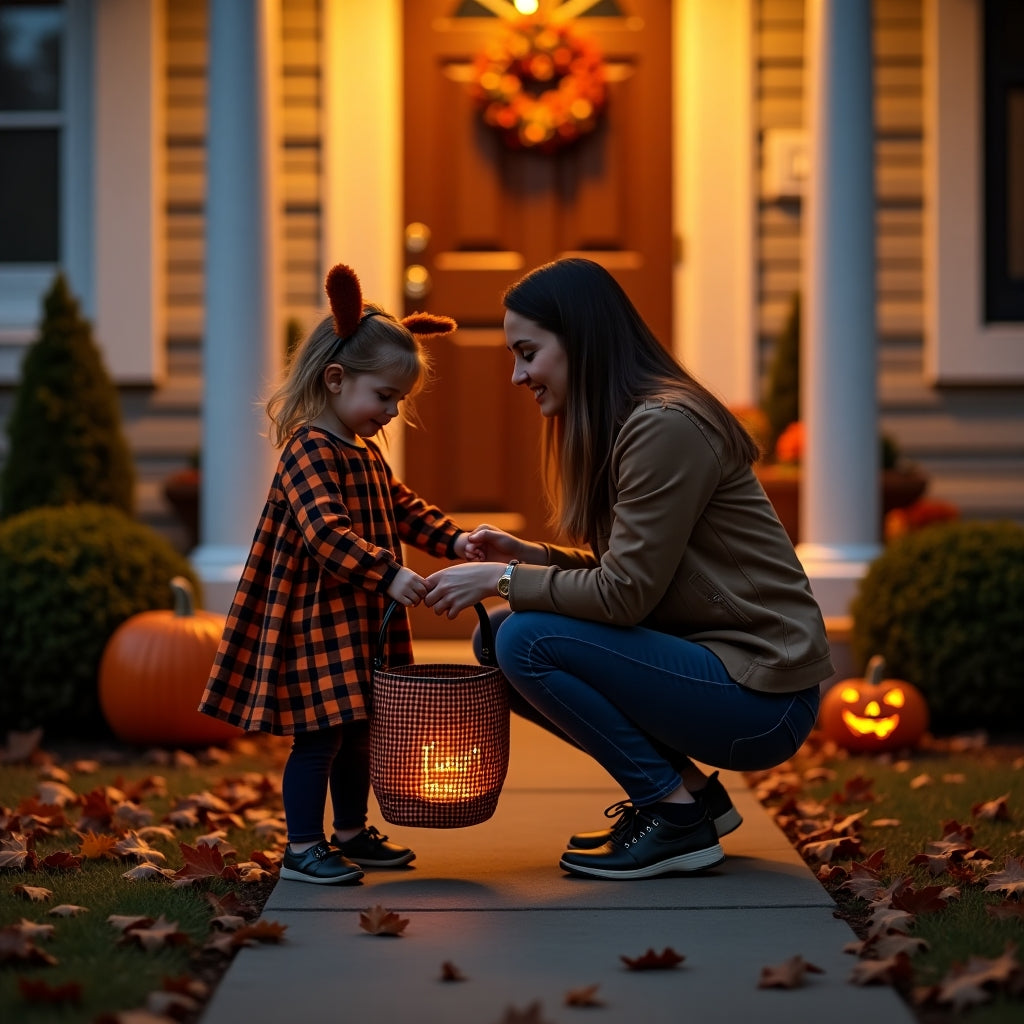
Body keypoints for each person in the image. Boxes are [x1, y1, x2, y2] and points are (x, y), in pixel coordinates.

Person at [423, 257, 834, 881]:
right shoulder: (633, 425)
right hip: (723, 670)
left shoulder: (665, 427)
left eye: (528, 353)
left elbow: (625, 597)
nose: (517, 375)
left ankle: (673, 818)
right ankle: (692, 798)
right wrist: (530, 557)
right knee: (498, 636)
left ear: (580, 339)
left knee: (524, 637)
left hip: (762, 694)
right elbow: (635, 573)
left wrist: (501, 580)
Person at [199, 263, 472, 885]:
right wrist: (389, 574)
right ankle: (302, 847)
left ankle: (350, 832)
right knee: (320, 736)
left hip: (359, 621)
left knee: (360, 730)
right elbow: (324, 534)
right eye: (385, 396)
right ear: (335, 378)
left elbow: (403, 509)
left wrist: (455, 540)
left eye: (399, 401)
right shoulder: (308, 449)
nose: (392, 412)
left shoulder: (363, 452)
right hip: (317, 621)